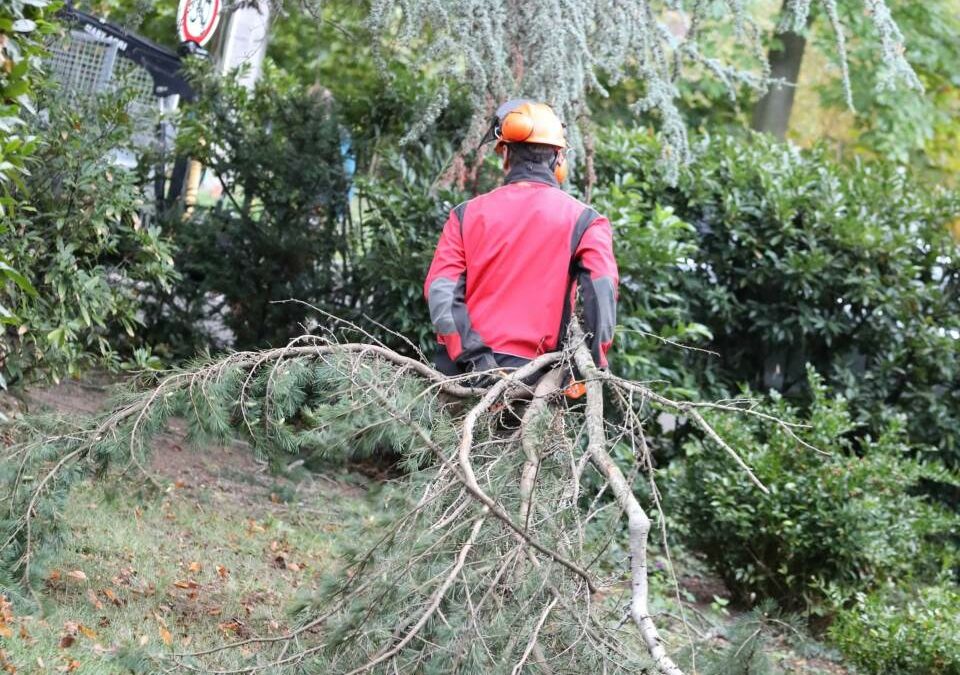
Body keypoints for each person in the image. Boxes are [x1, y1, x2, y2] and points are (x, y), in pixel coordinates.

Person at [423, 99, 619, 380]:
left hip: (462, 374)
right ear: (558, 157)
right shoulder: (586, 221)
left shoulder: (465, 215)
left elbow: (441, 293)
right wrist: (591, 364)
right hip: (538, 377)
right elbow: (601, 292)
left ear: (505, 155)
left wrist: (477, 361)